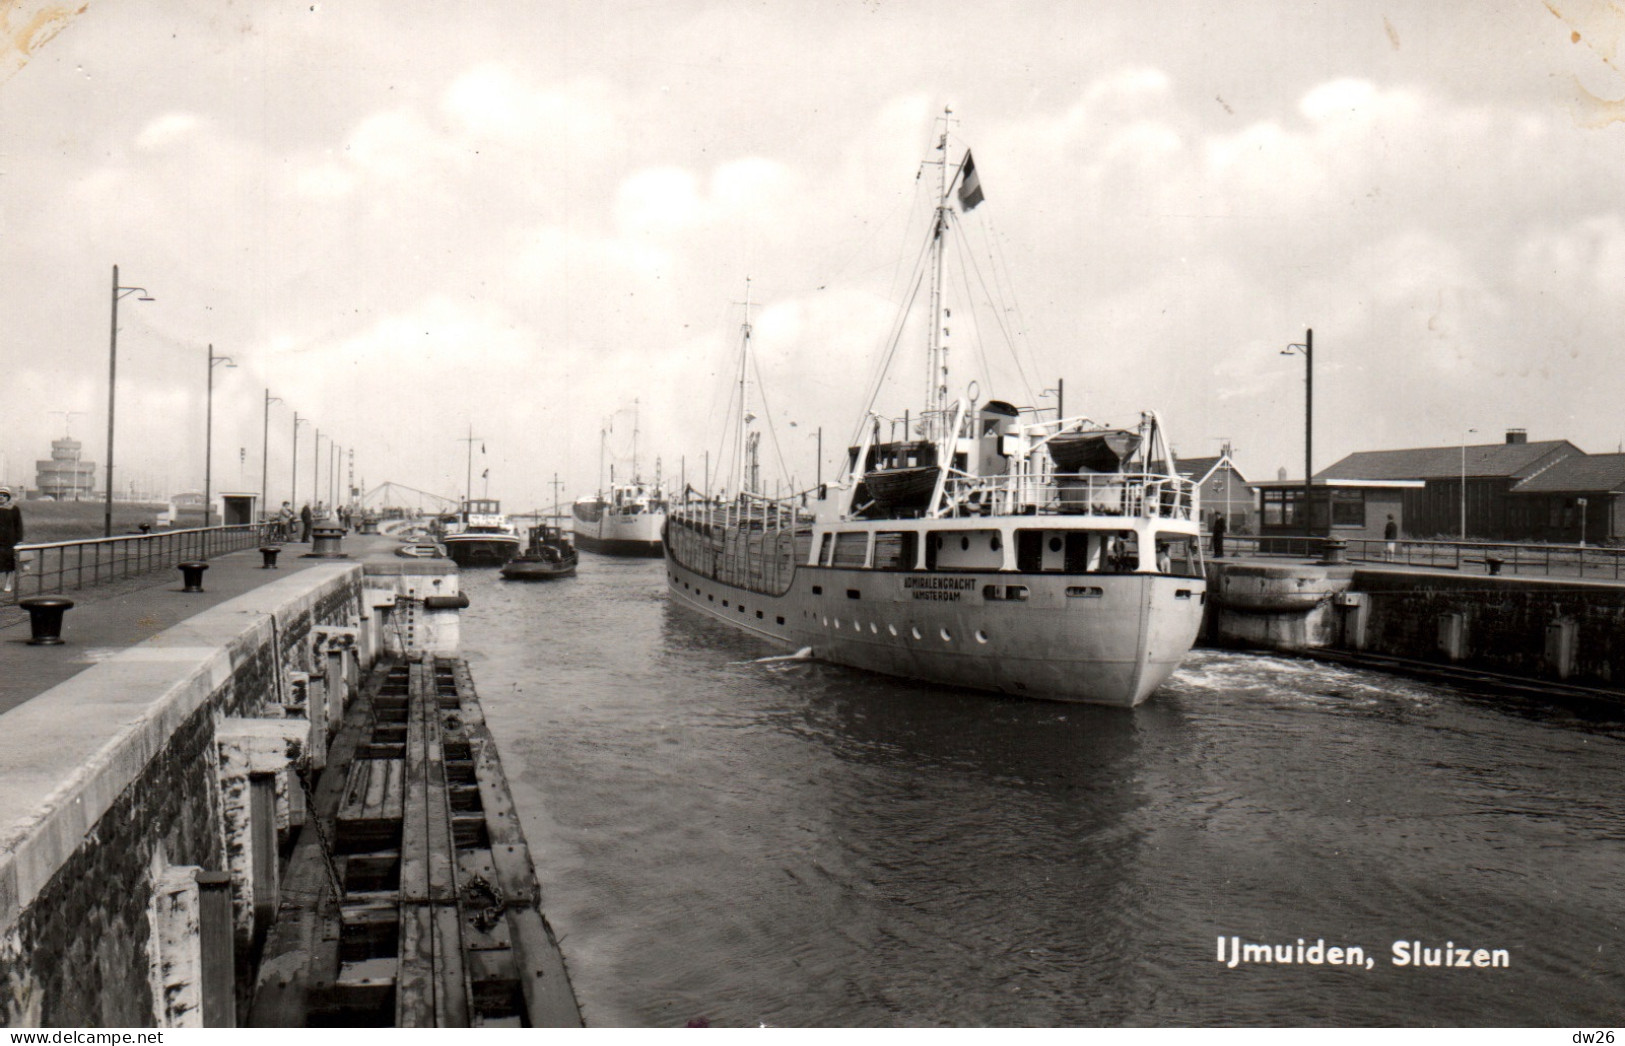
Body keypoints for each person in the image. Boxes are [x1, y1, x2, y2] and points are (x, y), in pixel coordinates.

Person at [0, 487, 22, 594]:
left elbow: (18, 525)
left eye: (4, 495)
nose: (2, 497)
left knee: (9, 562)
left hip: (10, 540)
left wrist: (19, 540)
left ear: (8, 497)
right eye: (0, 495)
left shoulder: (14, 509)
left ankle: (8, 583)